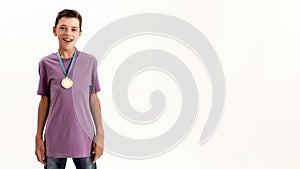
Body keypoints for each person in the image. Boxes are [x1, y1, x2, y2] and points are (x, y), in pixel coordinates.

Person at [35, 9, 104, 169]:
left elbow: (93, 98)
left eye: (73, 29)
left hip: (84, 138)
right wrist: (39, 137)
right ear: (55, 30)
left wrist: (100, 133)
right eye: (63, 28)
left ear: (80, 33)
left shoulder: (89, 62)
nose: (68, 33)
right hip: (54, 138)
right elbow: (44, 100)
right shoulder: (46, 63)